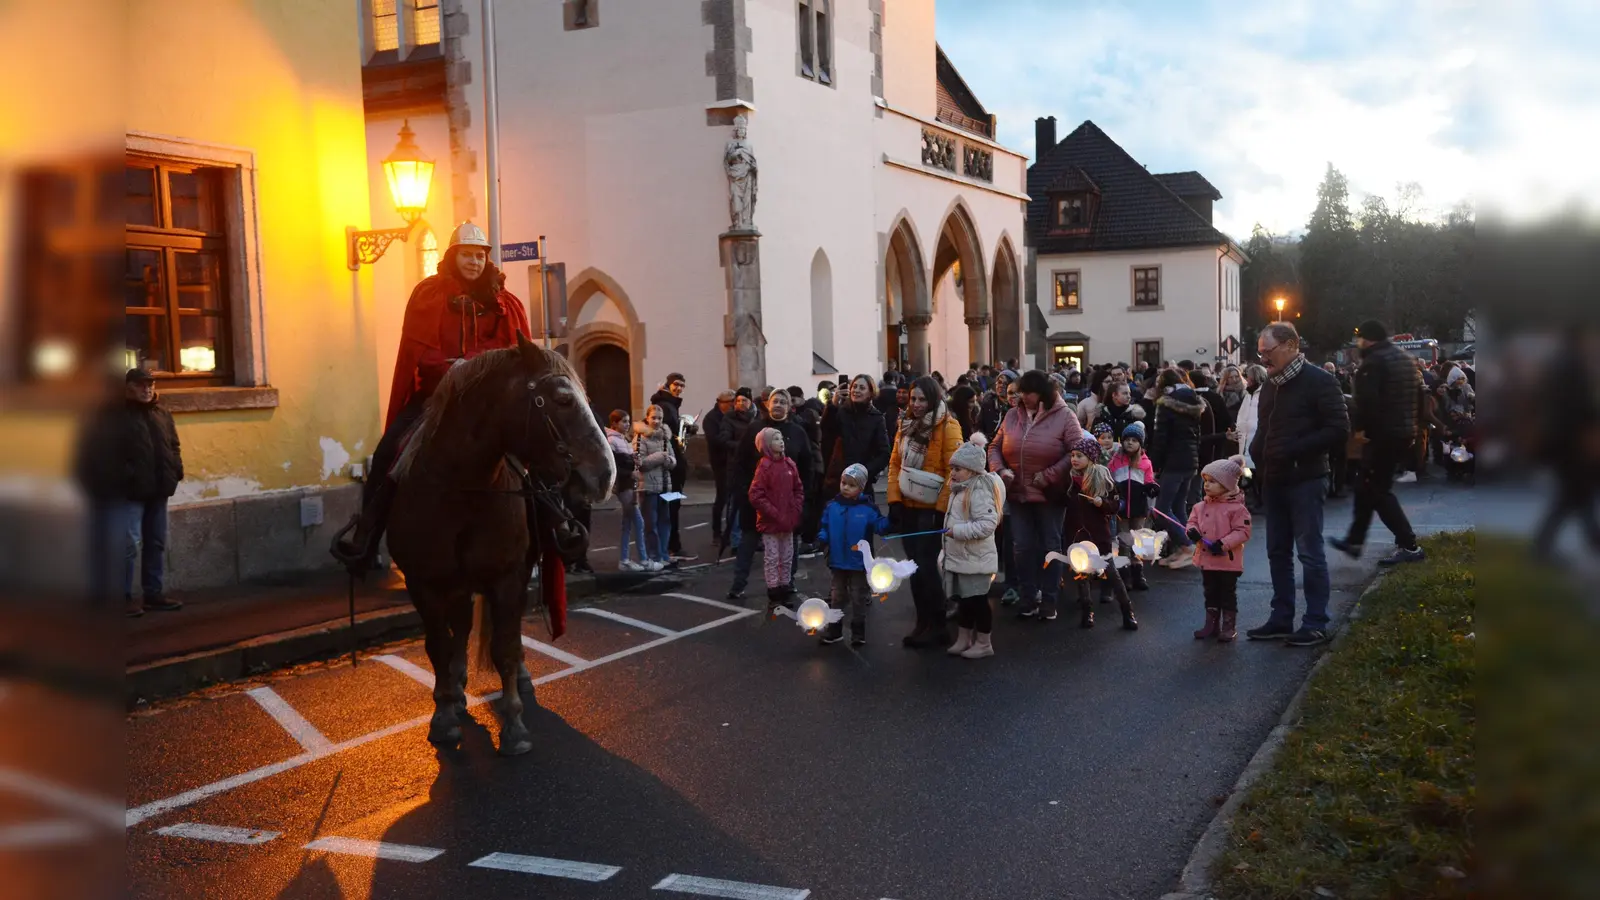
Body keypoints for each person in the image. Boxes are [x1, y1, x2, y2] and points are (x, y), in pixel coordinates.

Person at [332, 222, 532, 571]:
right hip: (435, 398)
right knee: (389, 452)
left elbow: (510, 351)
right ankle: (366, 534)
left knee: (536, 451)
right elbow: (419, 351)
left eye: (480, 256)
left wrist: (475, 368)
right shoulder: (429, 295)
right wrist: (449, 367)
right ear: (453, 256)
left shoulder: (504, 301)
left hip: (488, 403)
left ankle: (554, 529)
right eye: (467, 255)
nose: (474, 262)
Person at [1246, 323, 1350, 647]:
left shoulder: (1320, 381)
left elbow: (1338, 429)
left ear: (1291, 345)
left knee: (1309, 551)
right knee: (1277, 552)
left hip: (1306, 478)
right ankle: (1281, 618)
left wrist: (1294, 448)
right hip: (1274, 479)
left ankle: (1316, 621)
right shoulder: (1270, 387)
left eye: (1268, 352)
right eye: (1260, 353)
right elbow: (1264, 427)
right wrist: (1257, 455)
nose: (1263, 359)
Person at [74, 368, 185, 616]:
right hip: (129, 492)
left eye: (150, 384)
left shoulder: (161, 413)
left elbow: (174, 445)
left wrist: (176, 470)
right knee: (127, 545)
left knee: (156, 542)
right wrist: (124, 477)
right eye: (141, 385)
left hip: (159, 489)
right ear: (127, 387)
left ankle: (153, 594)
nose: (147, 389)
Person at [986, 369, 1083, 622]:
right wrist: (1001, 470)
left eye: (1026, 392)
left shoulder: (1065, 416)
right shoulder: (1011, 415)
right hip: (1018, 493)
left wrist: (1050, 474)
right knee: (1022, 548)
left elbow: (1077, 451)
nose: (1021, 397)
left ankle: (1049, 600)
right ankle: (1028, 597)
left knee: (1050, 546)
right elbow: (994, 446)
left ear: (1041, 393)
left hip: (1049, 494)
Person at [1328, 320, 1426, 565]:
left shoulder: (1374, 362)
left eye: (1360, 339)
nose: (1359, 343)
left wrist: (1361, 431)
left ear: (1368, 339)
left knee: (1378, 490)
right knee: (1365, 486)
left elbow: (1367, 402)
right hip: (1402, 431)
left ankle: (1409, 545)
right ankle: (1355, 540)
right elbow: (1420, 394)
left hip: (1383, 435)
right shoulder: (1404, 358)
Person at [887, 376, 965, 647]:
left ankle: (938, 623)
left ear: (934, 399)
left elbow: (953, 471)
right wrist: (894, 501)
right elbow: (895, 463)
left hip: (931, 508)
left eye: (922, 399)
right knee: (913, 568)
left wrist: (941, 509)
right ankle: (923, 621)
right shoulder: (905, 425)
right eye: (913, 399)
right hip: (908, 505)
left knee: (926, 568)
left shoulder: (948, 426)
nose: (917, 404)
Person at [726, 389, 813, 599]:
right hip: (757, 503)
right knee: (749, 542)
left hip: (786, 503)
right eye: (775, 401)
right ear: (767, 404)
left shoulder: (797, 432)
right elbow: (740, 463)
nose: (778, 405)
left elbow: (807, 465)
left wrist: (801, 500)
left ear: (789, 406)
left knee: (787, 545)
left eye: (783, 402)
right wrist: (746, 493)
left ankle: (787, 582)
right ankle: (738, 584)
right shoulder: (755, 428)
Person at [1061, 433, 1137, 629]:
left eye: (1080, 456)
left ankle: (1127, 611)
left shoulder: (1102, 479)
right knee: (1081, 574)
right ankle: (1087, 611)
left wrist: (1101, 503)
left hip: (1099, 536)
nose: (1075, 459)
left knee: (1111, 573)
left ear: (1091, 458)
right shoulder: (1068, 481)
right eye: (1073, 455)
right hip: (1077, 535)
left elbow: (1115, 506)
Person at [941, 434, 1006, 659]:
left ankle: (984, 642)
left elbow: (987, 524)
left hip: (976, 558)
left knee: (978, 601)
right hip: (962, 558)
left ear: (972, 470)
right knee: (964, 600)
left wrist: (956, 531)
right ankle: (963, 638)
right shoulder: (960, 488)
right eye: (953, 468)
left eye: (958, 469)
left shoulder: (978, 491)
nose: (953, 473)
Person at [816, 463, 892, 647]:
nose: (845, 487)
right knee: (837, 596)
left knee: (859, 597)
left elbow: (880, 526)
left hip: (858, 563)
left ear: (861, 488)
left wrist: (892, 520)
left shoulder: (868, 509)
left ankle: (858, 631)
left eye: (851, 485)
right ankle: (835, 631)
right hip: (837, 561)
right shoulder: (832, 506)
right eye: (843, 483)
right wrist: (823, 537)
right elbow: (825, 525)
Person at [1185, 456, 1254, 642]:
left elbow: (1243, 531)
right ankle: (1211, 624)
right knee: (1210, 592)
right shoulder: (1200, 507)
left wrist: (1223, 543)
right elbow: (1192, 523)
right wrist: (1192, 532)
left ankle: (1228, 626)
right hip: (1207, 559)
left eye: (1213, 481)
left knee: (1227, 594)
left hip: (1227, 560)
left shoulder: (1237, 509)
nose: (1207, 485)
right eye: (1206, 481)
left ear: (1227, 485)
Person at [1149, 376, 1205, 568]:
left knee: (1161, 509)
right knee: (1179, 507)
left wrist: (1154, 465)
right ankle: (1186, 548)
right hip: (1190, 461)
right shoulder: (1194, 403)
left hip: (1173, 462)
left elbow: (1160, 438)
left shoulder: (1166, 406)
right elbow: (1197, 436)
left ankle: (1187, 546)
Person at [748, 427, 806, 613]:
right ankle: (774, 594)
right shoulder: (764, 466)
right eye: (775, 439)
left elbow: (798, 489)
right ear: (765, 445)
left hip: (788, 521)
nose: (781, 442)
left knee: (787, 557)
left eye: (781, 438)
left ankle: (785, 587)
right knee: (772, 558)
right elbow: (755, 495)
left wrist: (795, 509)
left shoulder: (790, 464)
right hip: (771, 523)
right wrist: (774, 513)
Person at [819, 374, 891, 500]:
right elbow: (826, 433)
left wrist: (864, 472)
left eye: (862, 388)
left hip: (861, 483)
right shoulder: (841, 412)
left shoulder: (876, 418)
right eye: (854, 386)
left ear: (870, 393)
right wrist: (832, 406)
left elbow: (884, 453)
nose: (856, 390)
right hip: (837, 480)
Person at [650, 373, 696, 561]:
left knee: (671, 505)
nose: (679, 388)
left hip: (673, 462)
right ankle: (670, 547)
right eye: (676, 384)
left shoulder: (670, 405)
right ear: (668, 385)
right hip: (670, 465)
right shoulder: (665, 406)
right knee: (670, 505)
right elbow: (665, 435)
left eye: (682, 385)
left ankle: (669, 546)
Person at [1109, 421, 1158, 592]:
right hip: (1122, 508)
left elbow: (1149, 481)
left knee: (1137, 540)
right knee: (1124, 541)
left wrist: (1151, 488)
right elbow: (1110, 480)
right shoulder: (1116, 461)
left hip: (1138, 508)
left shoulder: (1145, 463)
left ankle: (1138, 573)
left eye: (1134, 440)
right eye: (1127, 439)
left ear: (1140, 444)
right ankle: (1125, 575)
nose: (1130, 442)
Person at [633, 405, 677, 571]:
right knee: (650, 524)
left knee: (665, 522)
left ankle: (664, 554)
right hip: (648, 487)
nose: (657, 421)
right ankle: (654, 555)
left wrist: (669, 461)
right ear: (647, 418)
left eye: (659, 418)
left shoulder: (665, 437)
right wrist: (660, 457)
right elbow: (640, 463)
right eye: (653, 418)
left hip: (665, 486)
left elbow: (673, 459)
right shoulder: (640, 438)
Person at [605, 411, 648, 571]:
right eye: (623, 421)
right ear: (614, 423)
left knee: (628, 524)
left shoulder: (624, 440)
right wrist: (630, 472)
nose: (627, 424)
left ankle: (624, 559)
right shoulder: (612, 441)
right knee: (639, 522)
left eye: (628, 421)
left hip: (630, 485)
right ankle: (643, 559)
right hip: (623, 486)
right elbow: (613, 466)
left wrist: (635, 461)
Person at [703, 389, 737, 544]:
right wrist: (731, 443)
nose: (732, 405)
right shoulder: (711, 418)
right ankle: (717, 532)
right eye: (729, 403)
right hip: (720, 462)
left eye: (733, 402)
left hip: (734, 461)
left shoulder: (733, 416)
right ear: (720, 403)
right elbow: (715, 440)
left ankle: (732, 531)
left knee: (734, 498)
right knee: (722, 496)